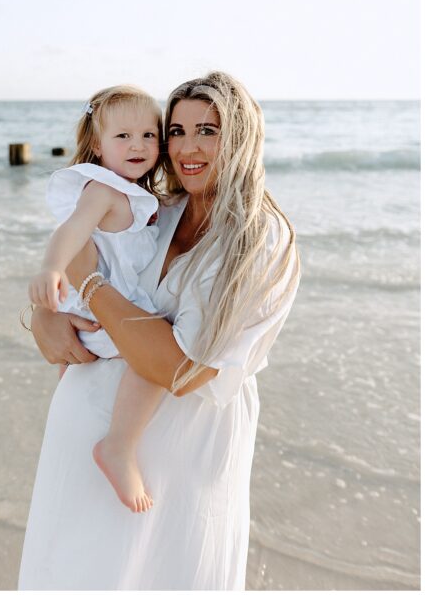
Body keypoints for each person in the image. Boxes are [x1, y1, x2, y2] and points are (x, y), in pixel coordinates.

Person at [18, 71, 300, 590]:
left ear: (241, 136)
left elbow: (180, 369)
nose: (187, 147)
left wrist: (89, 282)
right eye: (176, 131)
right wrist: (42, 316)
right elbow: (74, 254)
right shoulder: (157, 211)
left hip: (178, 456)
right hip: (82, 435)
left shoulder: (259, 240)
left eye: (208, 131)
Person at [28, 85, 166, 513]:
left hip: (102, 304)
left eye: (149, 135)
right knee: (155, 359)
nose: (138, 145)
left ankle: (79, 436)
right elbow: (71, 230)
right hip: (101, 310)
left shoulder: (138, 196)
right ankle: (118, 447)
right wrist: (51, 268)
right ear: (96, 144)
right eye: (122, 136)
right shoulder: (102, 189)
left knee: (76, 390)